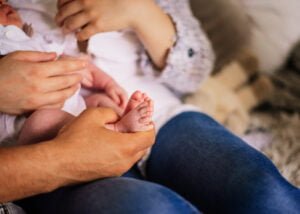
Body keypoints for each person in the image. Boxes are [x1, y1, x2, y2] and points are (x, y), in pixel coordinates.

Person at [1, 0, 300, 214]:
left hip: (161, 117)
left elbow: (195, 74)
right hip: (47, 139)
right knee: (147, 206)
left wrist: (141, 12)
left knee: (261, 188)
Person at [0, 1, 154, 146]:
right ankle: (117, 129)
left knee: (100, 102)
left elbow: (81, 66)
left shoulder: (36, 39)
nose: (2, 3)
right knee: (42, 120)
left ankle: (125, 123)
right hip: (25, 131)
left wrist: (108, 84)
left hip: (75, 107)